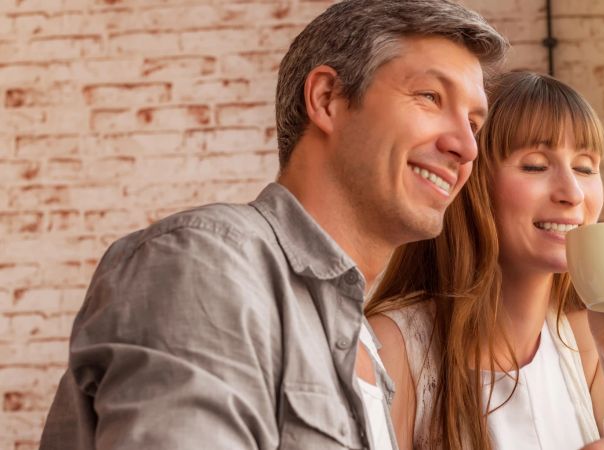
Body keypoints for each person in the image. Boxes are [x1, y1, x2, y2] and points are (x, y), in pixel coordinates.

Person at [39, 1, 507, 449]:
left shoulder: (362, 342)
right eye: (430, 97)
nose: (466, 148)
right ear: (327, 99)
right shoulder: (209, 264)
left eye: (474, 123)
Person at [367, 71, 604, 450]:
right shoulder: (393, 348)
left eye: (585, 168)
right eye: (535, 165)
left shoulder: (586, 340)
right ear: (471, 184)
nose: (572, 193)